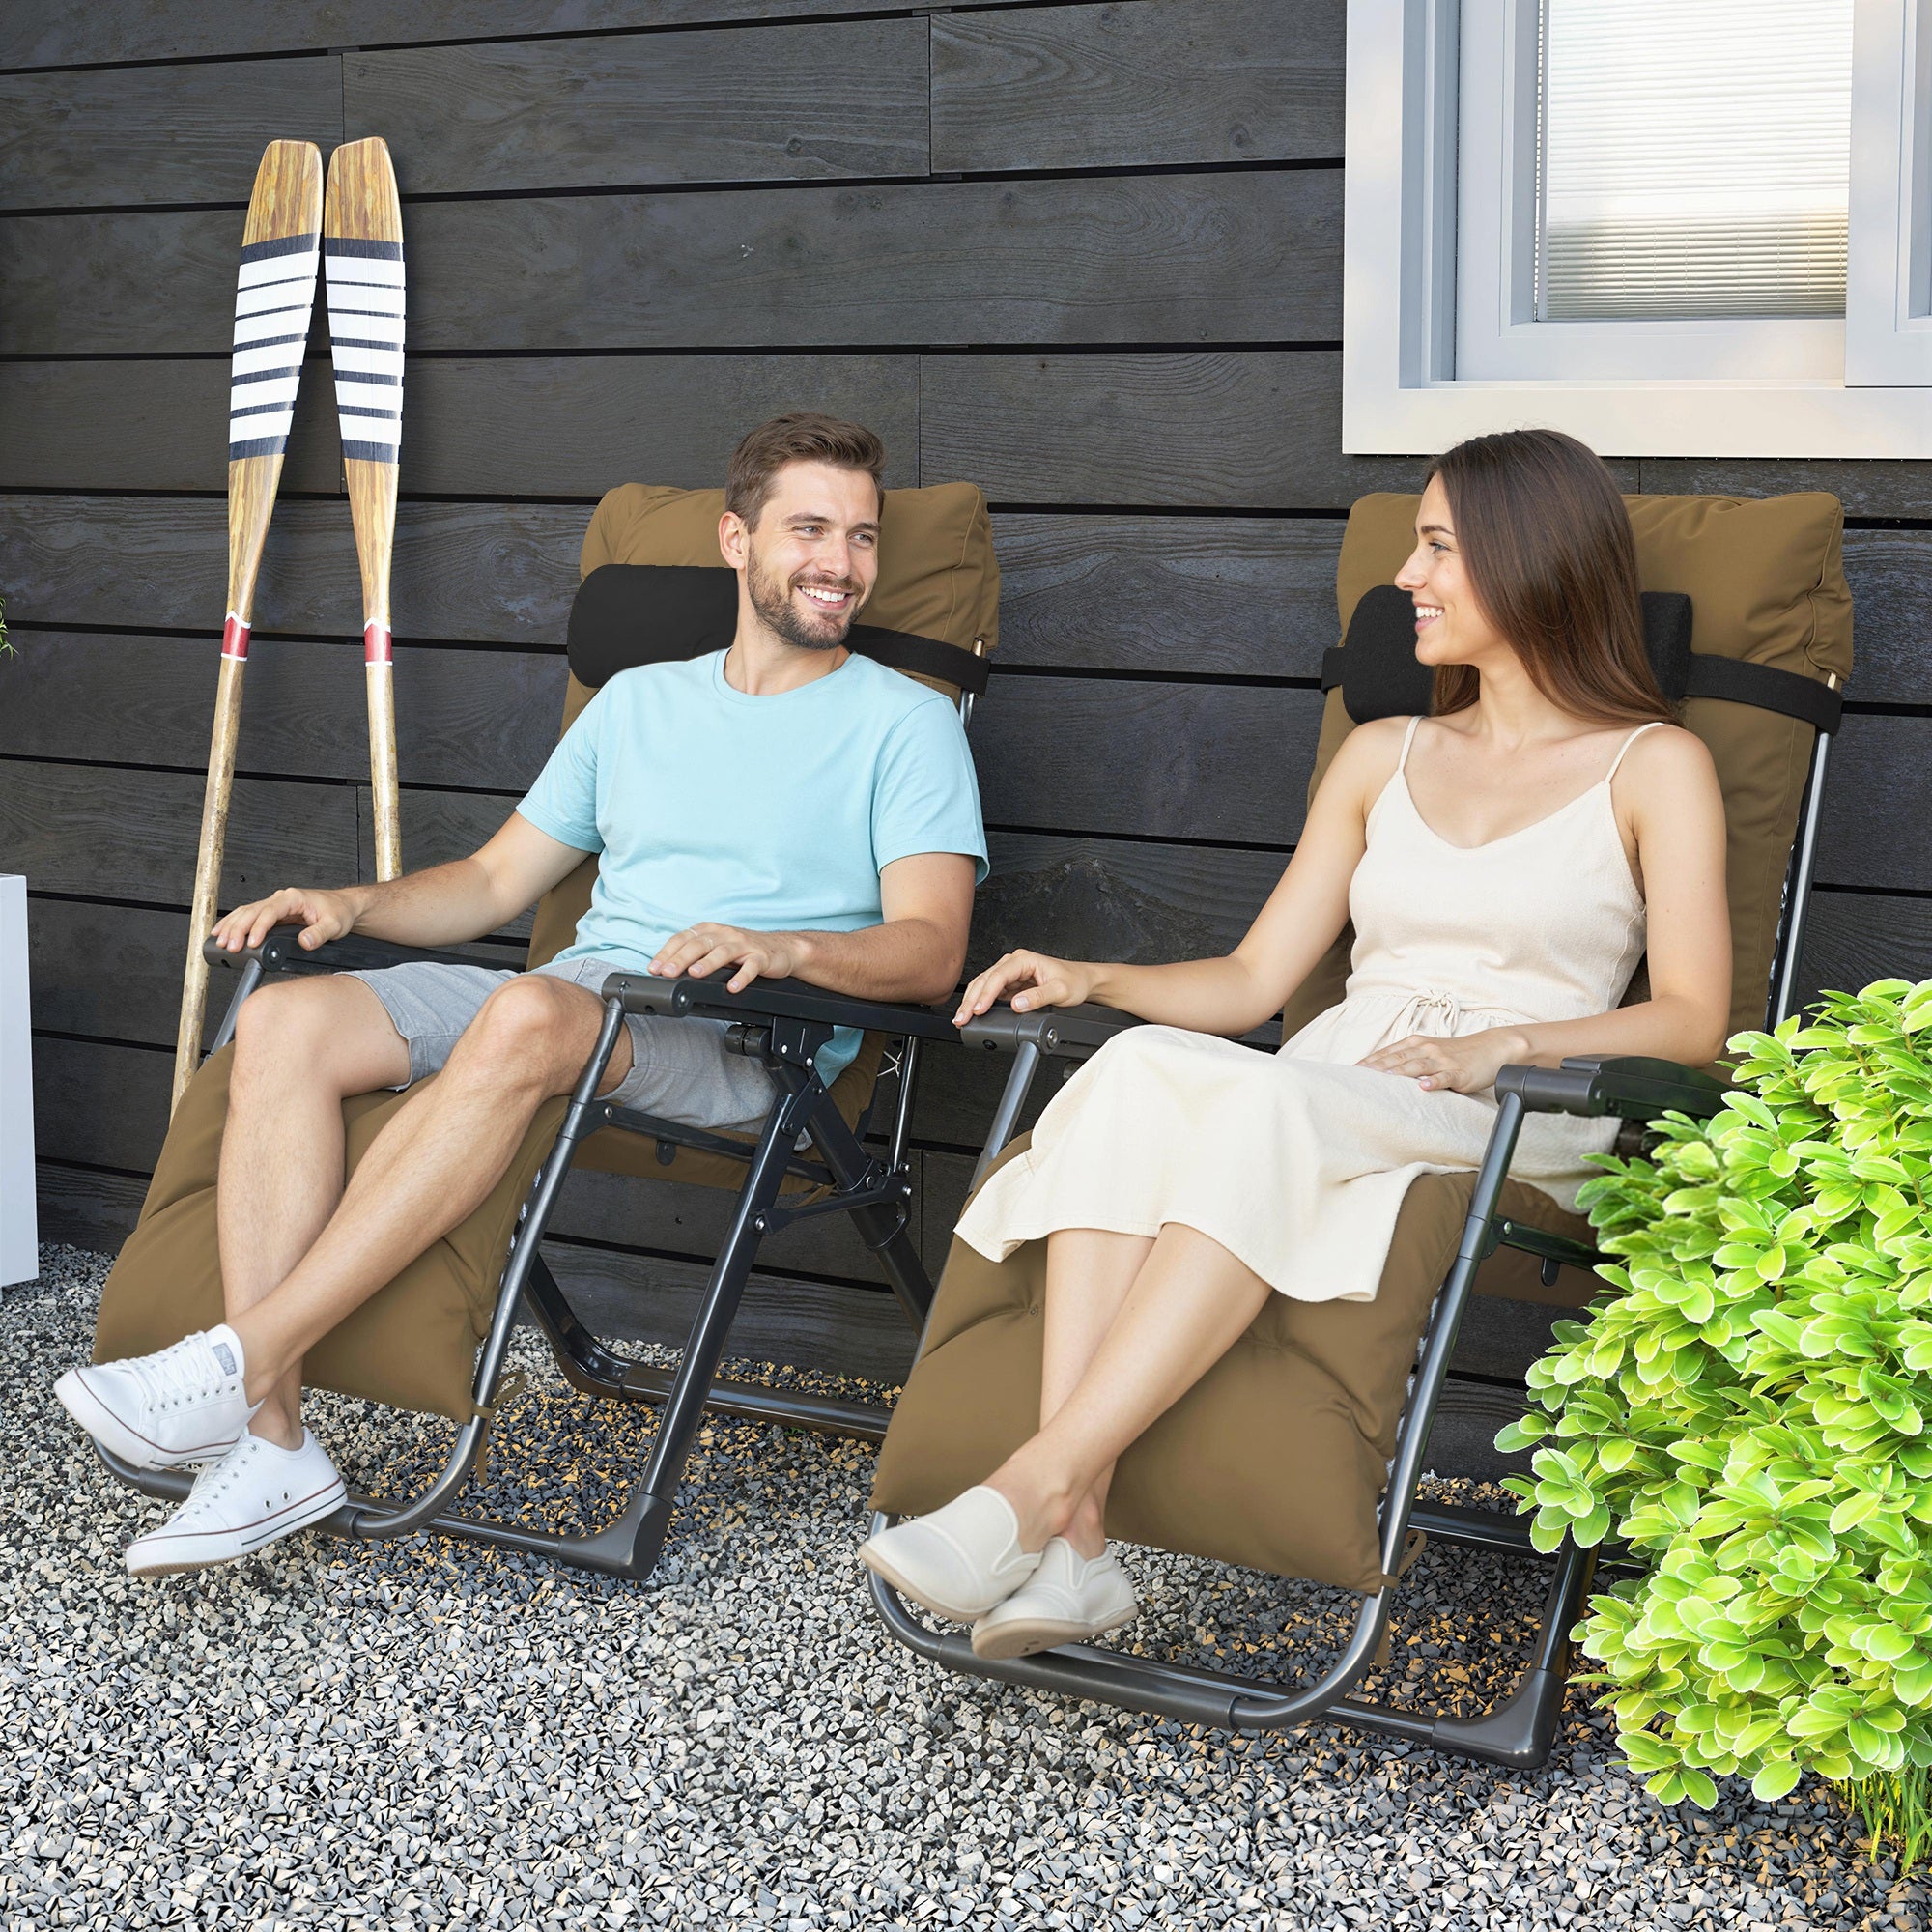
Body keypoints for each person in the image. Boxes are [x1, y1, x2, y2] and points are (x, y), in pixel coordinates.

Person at [59, 412, 987, 1576]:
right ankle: (275, 1437)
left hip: (753, 1035)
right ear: (734, 540)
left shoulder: (905, 723)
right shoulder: (637, 703)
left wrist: (786, 946)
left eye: (861, 536)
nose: (839, 563)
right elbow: (495, 880)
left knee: (532, 1011)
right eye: (809, 529)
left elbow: (930, 951)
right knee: (289, 1013)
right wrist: (349, 901)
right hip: (578, 1002)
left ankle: (236, 1359)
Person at [859, 428, 1731, 1661]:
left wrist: (1498, 1045)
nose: (1406, 578)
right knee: (1132, 1066)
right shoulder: (1382, 753)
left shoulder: (1654, 766)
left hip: (1517, 1107)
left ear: (1528, 559)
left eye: (1436, 548)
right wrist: (1091, 976)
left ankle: (1030, 1485)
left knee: (1273, 1102)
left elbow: (1692, 1015)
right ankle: (1076, 1546)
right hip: (1344, 1085)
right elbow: (1255, 979)